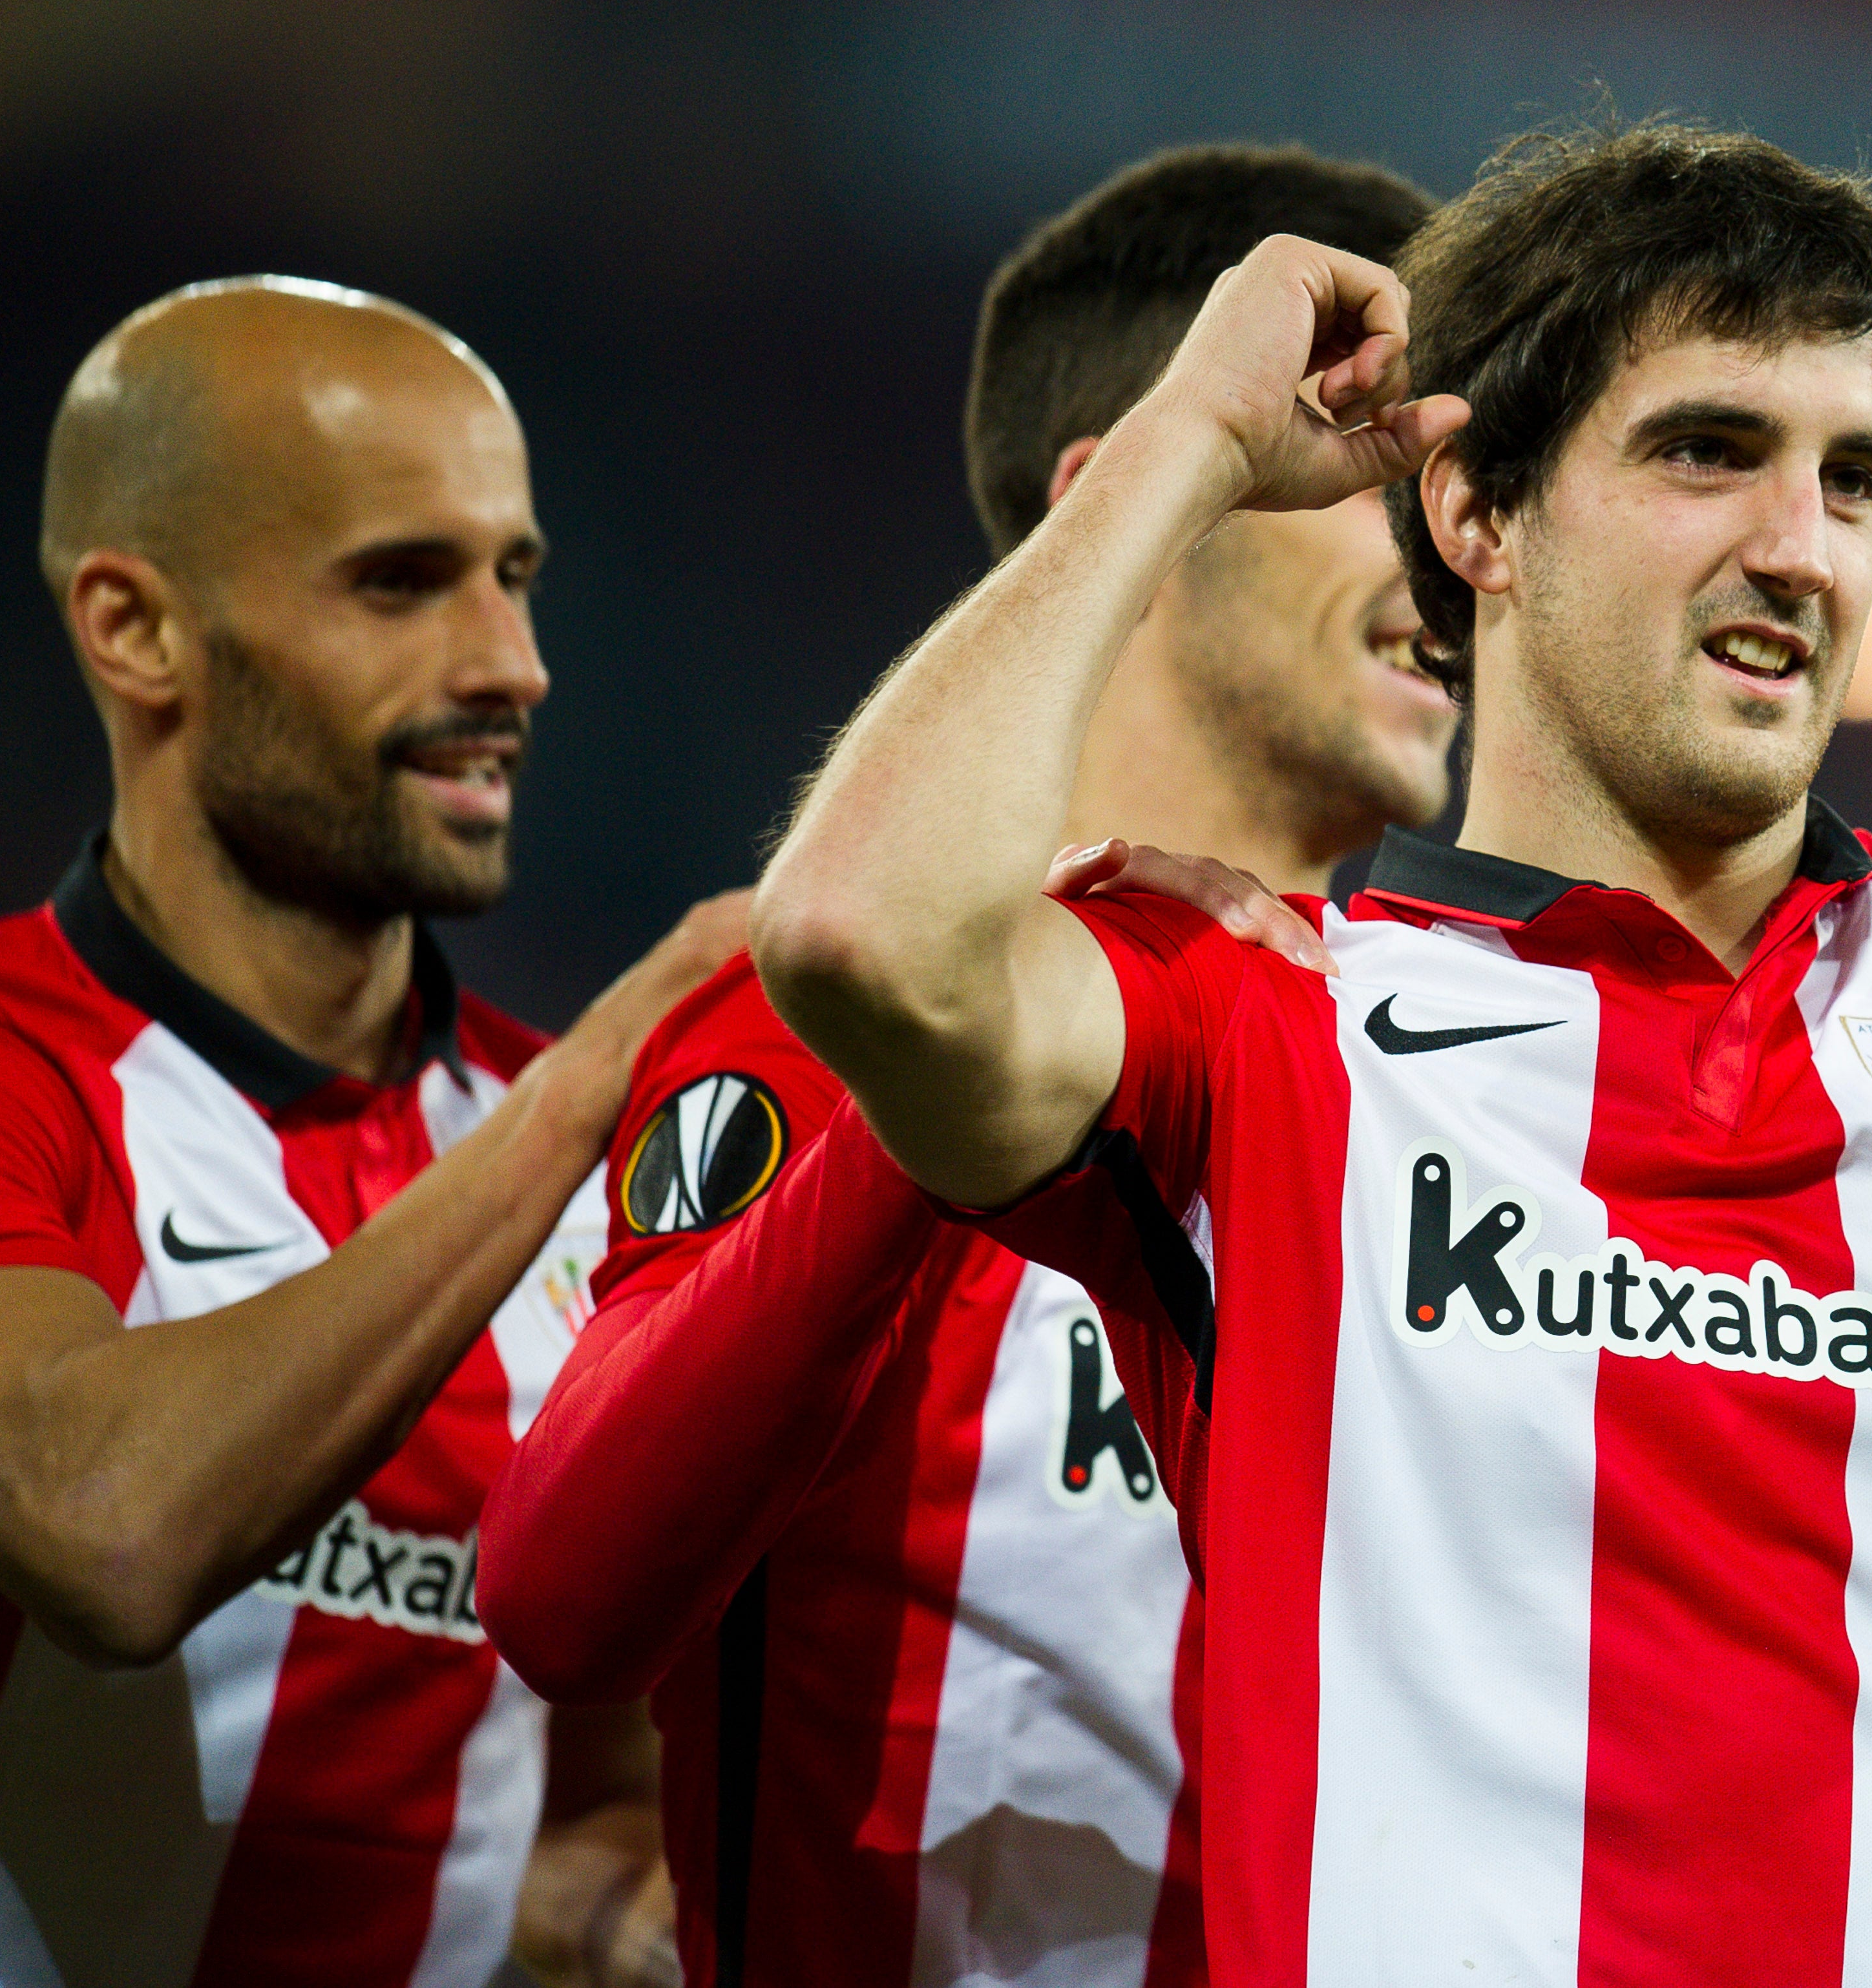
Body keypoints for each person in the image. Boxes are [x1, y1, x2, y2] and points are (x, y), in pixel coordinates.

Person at [745, 118, 1872, 1987]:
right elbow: (859, 937)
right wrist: (1186, 449)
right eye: (1707, 452)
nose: (1800, 549)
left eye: (1854, 479)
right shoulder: (1270, 1003)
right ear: (1476, 517)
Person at [474, 145, 1456, 1987]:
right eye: (1372, 471)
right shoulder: (807, 1038)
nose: (1451, 561)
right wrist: (952, 1082)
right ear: (1147, 496)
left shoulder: (1477, 1081)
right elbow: (566, 1593)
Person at [0, 278, 737, 1986]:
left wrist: (615, 1909)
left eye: (514, 575)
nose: (510, 666)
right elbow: (100, 1526)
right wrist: (596, 1080)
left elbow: (584, 1787)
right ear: (133, 629)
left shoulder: (590, 1160)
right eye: (402, 583)